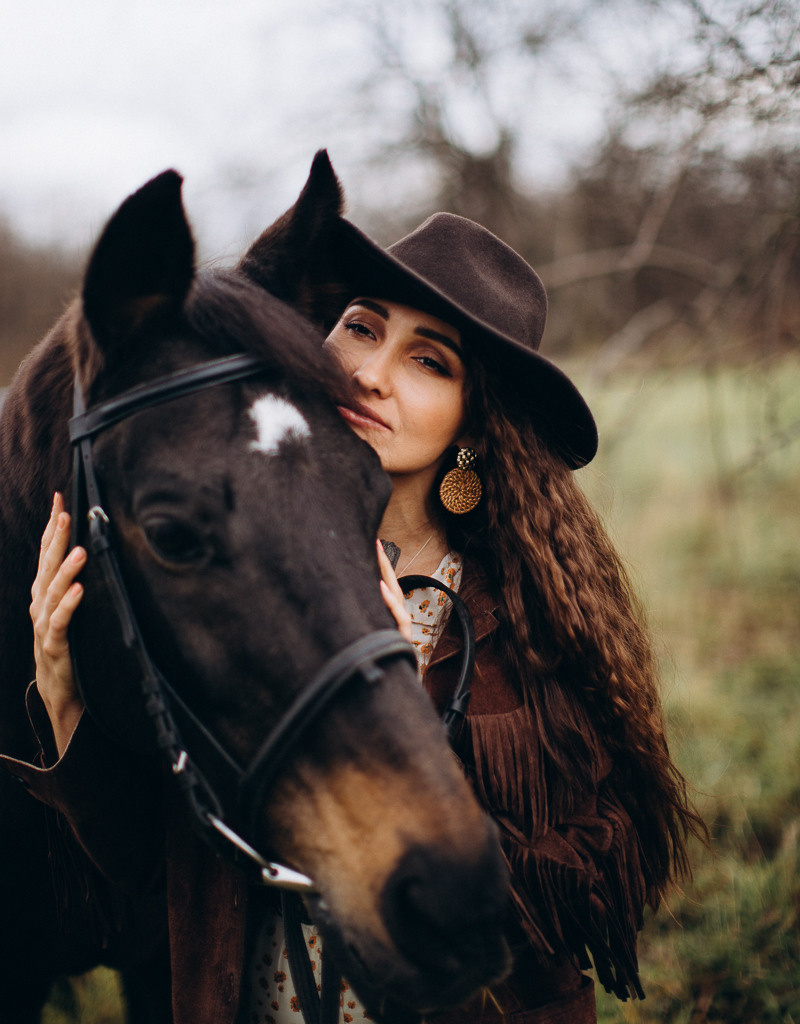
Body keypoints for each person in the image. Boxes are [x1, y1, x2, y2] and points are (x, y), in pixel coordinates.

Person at [12, 209, 703, 1024]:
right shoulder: (265, 584)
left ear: (475, 416)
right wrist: (65, 703)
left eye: (428, 360)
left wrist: (392, 729)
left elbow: (577, 885)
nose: (369, 373)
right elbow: (166, 875)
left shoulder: (523, 617)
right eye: (360, 327)